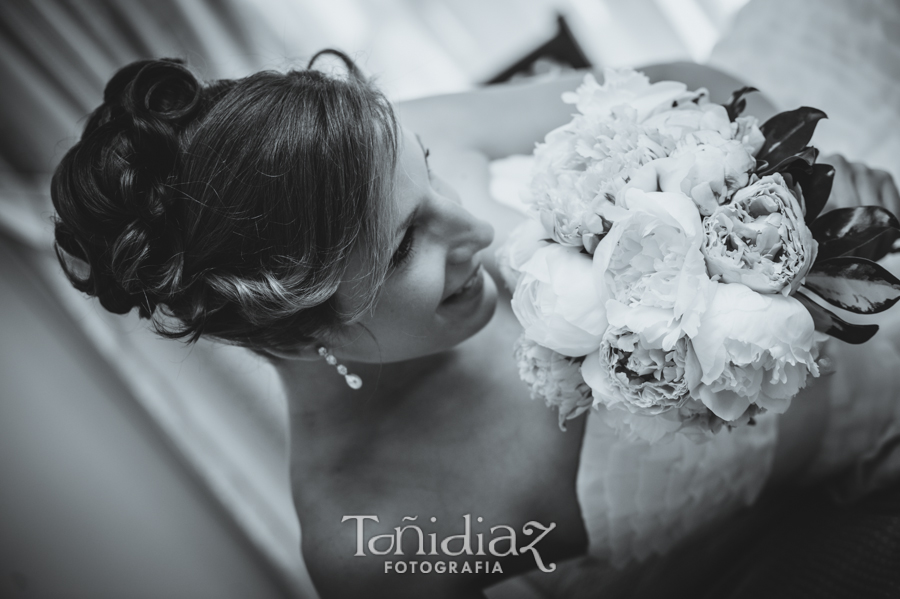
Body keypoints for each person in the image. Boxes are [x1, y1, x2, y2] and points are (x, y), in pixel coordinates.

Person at [50, 51, 900, 598]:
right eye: (402, 249)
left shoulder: (398, 138)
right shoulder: (371, 544)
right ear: (307, 331)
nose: (481, 231)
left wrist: (798, 190)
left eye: (427, 178)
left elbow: (682, 83)